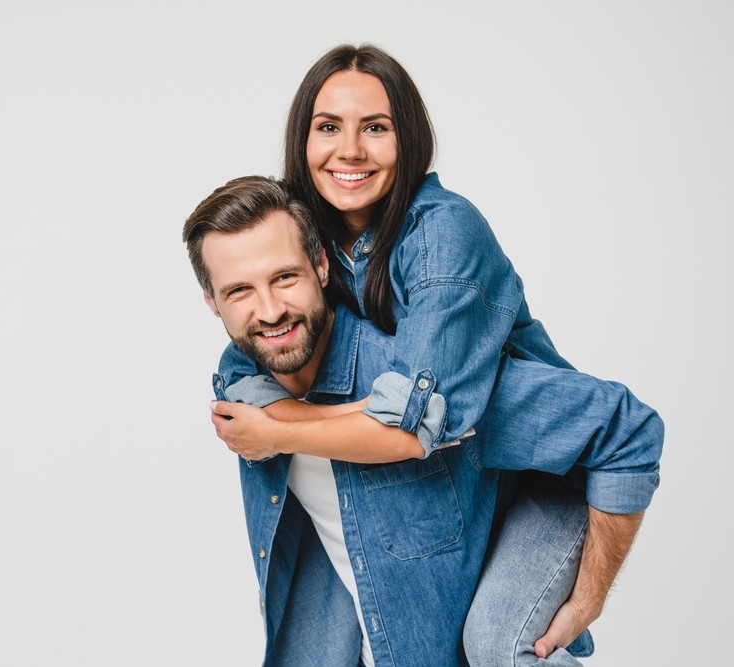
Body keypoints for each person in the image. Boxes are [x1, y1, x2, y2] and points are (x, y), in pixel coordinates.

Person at [206, 43, 662, 665]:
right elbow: (257, 347)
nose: (350, 150)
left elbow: (413, 424)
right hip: (459, 475)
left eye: (375, 127)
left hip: (536, 461)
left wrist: (587, 599)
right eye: (328, 127)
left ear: (409, 139)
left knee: (497, 642)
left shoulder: (442, 236)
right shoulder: (308, 235)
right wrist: (321, 411)